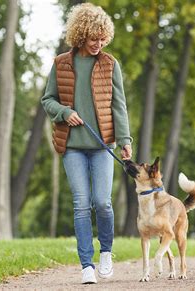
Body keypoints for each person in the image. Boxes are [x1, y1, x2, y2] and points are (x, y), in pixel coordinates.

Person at [41, 3, 132, 284]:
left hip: (104, 145)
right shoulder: (61, 63)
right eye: (94, 39)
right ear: (81, 35)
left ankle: (106, 252)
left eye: (103, 39)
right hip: (72, 146)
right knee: (81, 204)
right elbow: (48, 100)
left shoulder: (110, 64)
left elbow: (119, 105)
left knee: (103, 203)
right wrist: (64, 113)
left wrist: (125, 140)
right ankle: (86, 266)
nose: (99, 44)